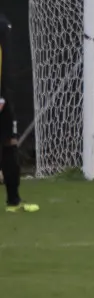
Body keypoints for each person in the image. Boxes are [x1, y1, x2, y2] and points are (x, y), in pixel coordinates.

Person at [1, 15, 38, 213]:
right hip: (1, 94)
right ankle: (13, 201)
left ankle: (14, 201)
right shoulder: (2, 24)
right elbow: (3, 61)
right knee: (9, 143)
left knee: (10, 142)